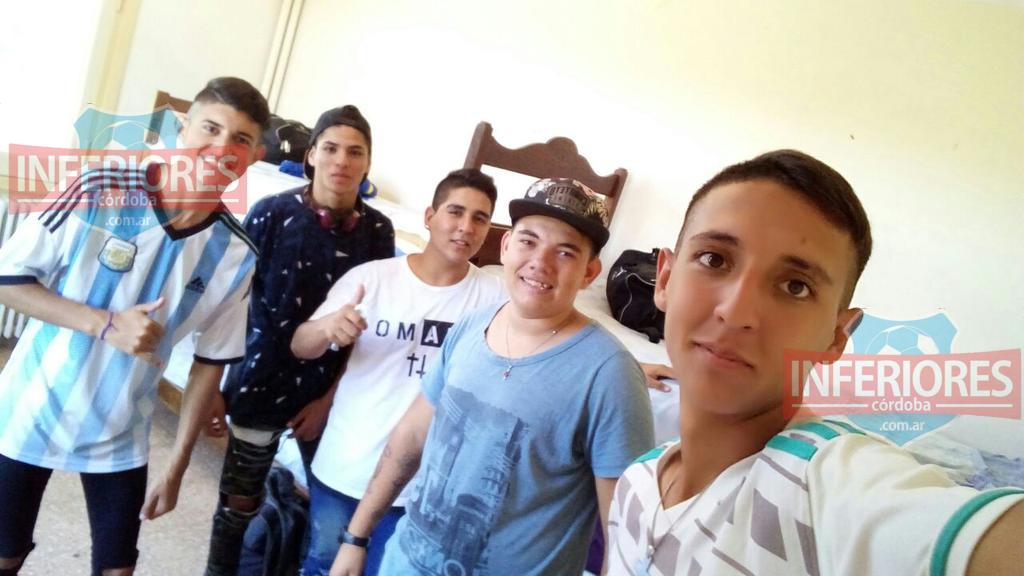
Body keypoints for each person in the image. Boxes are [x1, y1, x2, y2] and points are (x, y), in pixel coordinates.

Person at [606, 150, 1024, 575]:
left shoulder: (826, 482)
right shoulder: (636, 482)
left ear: (837, 337)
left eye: (795, 286)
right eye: (714, 259)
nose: (735, 312)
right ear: (665, 278)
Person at [0, 77, 269, 576]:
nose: (221, 148)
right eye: (210, 128)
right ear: (182, 128)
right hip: (30, 411)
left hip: (121, 431)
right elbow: (7, 279)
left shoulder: (237, 256)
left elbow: (209, 365)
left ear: (254, 157)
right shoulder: (98, 187)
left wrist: (178, 464)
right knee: (6, 556)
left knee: (118, 569)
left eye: (240, 139)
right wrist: (105, 324)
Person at [329, 177, 655, 576]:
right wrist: (356, 537)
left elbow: (624, 538)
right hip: (402, 563)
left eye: (565, 252)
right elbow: (409, 439)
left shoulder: (611, 375)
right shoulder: (470, 327)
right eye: (528, 241)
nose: (540, 262)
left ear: (589, 272)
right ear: (505, 246)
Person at [204, 105, 395, 576]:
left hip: (328, 393)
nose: (341, 161)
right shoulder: (271, 213)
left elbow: (369, 327)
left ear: (368, 163)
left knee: (331, 511)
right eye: (330, 148)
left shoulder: (378, 232)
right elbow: (230, 304)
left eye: (355, 152)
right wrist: (212, 385)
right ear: (310, 155)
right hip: (258, 382)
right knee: (236, 506)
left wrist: (327, 401)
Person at [291, 168, 506, 575]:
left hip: (423, 487)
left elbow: (534, 350)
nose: (466, 227)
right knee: (323, 565)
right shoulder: (372, 279)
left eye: (480, 218)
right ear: (430, 217)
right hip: (346, 465)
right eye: (455, 212)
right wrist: (327, 328)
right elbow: (302, 344)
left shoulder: (495, 299)